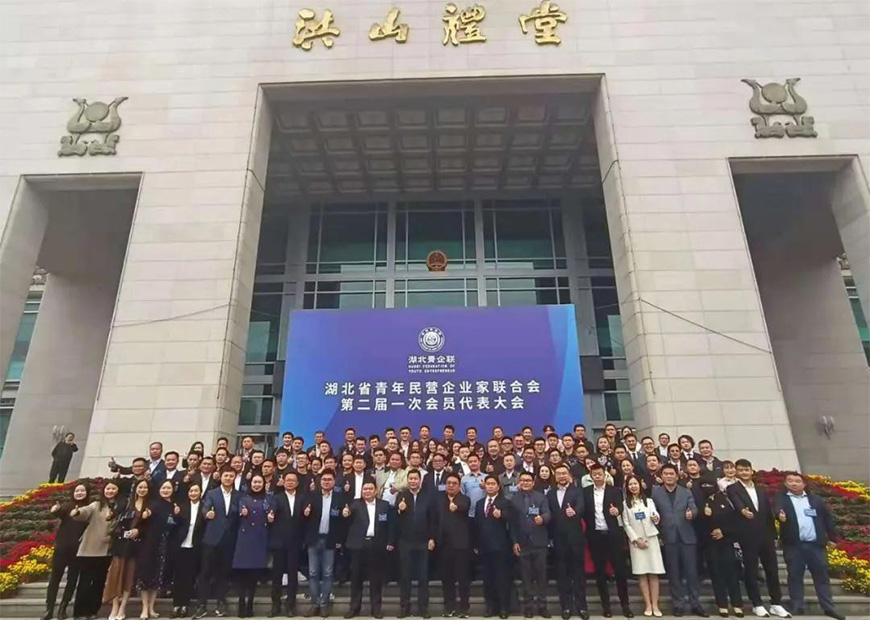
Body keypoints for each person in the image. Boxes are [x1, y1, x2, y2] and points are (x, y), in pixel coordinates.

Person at [773, 472, 844, 620]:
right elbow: (776, 509)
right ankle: (797, 605)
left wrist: (832, 538)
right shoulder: (782, 498)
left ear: (804, 484)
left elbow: (827, 519)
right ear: (785, 483)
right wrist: (779, 515)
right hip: (794, 545)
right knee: (794, 576)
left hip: (815, 546)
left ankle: (828, 607)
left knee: (821, 577)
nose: (794, 483)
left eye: (797, 481)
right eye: (790, 481)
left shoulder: (815, 500)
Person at [727, 459, 791, 618]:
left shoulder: (761, 489)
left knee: (772, 570)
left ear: (751, 471)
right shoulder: (732, 488)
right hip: (747, 535)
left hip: (766, 535)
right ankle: (757, 603)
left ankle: (776, 603)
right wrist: (743, 511)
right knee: (751, 570)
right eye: (740, 470)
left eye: (746, 470)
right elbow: (737, 502)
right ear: (736, 472)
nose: (744, 473)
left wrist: (774, 534)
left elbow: (768, 512)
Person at [651, 465, 707, 618]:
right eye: (666, 474)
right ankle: (678, 604)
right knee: (674, 573)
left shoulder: (686, 491)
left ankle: (695, 604)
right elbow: (653, 511)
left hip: (687, 537)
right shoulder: (656, 493)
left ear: (677, 476)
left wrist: (691, 513)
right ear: (662, 476)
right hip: (669, 537)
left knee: (691, 572)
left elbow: (694, 508)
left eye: (672, 474)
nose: (669, 476)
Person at [582, 464, 632, 618]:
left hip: (613, 535)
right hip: (595, 536)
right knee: (600, 572)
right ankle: (606, 607)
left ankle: (625, 606)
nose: (597, 476)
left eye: (600, 474)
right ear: (591, 476)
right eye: (594, 474)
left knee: (620, 571)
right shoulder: (585, 492)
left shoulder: (614, 490)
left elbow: (621, 506)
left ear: (604, 475)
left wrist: (617, 510)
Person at [342, 481, 396, 619]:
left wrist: (390, 542)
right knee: (356, 578)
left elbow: (391, 525)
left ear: (376, 490)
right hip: (358, 545)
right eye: (365, 489)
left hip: (377, 545)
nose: (367, 491)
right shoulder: (355, 505)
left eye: (370, 489)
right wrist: (346, 513)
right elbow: (347, 518)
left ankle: (376, 609)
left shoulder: (384, 505)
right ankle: (354, 608)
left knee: (376, 579)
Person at [193, 469, 240, 619]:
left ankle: (221, 603)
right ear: (221, 477)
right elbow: (205, 508)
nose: (228, 478)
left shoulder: (239, 495)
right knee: (205, 572)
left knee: (223, 573)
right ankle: (201, 605)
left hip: (229, 539)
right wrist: (207, 514)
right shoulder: (212, 493)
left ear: (234, 478)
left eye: (231, 476)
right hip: (211, 539)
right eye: (226, 475)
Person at [71, 480, 120, 620]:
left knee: (99, 583)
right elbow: (85, 512)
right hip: (90, 550)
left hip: (107, 551)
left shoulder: (120, 506)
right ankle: (80, 612)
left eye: (113, 488)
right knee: (85, 582)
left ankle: (93, 610)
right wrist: (77, 512)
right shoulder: (96, 505)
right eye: (108, 488)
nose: (110, 491)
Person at [696, 475, 743, 618]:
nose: (707, 488)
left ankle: (737, 604)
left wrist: (724, 531)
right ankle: (722, 605)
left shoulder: (724, 499)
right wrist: (704, 515)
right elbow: (697, 525)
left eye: (709, 485)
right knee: (716, 575)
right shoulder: (699, 501)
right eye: (703, 485)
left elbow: (734, 521)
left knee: (731, 574)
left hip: (726, 541)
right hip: (710, 544)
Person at [103, 478, 149, 620]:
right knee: (116, 575)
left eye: (145, 487)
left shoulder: (149, 506)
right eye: (140, 487)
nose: (142, 490)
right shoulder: (127, 503)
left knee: (128, 578)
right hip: (121, 544)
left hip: (136, 546)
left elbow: (149, 528)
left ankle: (122, 608)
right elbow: (116, 520)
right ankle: (114, 607)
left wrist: (139, 530)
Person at [303, 468, 347, 618]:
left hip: (330, 540)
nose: (326, 482)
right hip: (314, 539)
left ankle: (324, 604)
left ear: (334, 482)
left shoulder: (340, 498)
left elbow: (342, 523)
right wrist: (305, 513)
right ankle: (314, 604)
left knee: (328, 573)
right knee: (313, 573)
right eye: (324, 479)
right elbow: (304, 518)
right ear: (319, 481)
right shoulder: (311, 496)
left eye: (329, 480)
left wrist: (339, 540)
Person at [43, 482, 90, 620]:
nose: (79, 493)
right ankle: (49, 609)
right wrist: (55, 510)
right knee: (54, 579)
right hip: (62, 548)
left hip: (78, 550)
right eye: (77, 491)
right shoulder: (67, 506)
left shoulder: (89, 508)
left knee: (72, 580)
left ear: (87, 492)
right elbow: (59, 512)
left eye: (82, 491)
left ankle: (63, 608)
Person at [547, 464, 588, 620]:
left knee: (578, 574)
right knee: (562, 574)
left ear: (569, 475)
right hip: (558, 539)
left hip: (575, 538)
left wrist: (575, 511)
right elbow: (549, 515)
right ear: (555, 476)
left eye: (564, 473)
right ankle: (566, 607)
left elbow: (581, 507)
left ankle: (581, 606)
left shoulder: (577, 491)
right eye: (558, 473)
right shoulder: (550, 493)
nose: (561, 476)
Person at [395, 469, 436, 619]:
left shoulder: (428, 497)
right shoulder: (401, 496)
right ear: (407, 481)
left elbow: (433, 519)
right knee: (405, 577)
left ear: (420, 480)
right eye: (410, 479)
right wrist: (399, 510)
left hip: (423, 542)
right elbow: (395, 519)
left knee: (423, 577)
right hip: (405, 541)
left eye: (415, 479)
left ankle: (423, 609)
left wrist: (432, 538)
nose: (413, 481)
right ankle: (404, 608)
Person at [510, 471, 552, 618]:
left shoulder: (541, 497)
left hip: (539, 542)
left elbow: (548, 513)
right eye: (523, 480)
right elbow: (512, 524)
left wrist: (543, 518)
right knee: (526, 577)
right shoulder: (514, 499)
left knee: (541, 576)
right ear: (519, 482)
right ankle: (528, 606)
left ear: (533, 482)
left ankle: (542, 606)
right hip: (522, 544)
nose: (525, 483)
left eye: (528, 480)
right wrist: (514, 542)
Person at [622, 475, 664, 618]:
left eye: (635, 483)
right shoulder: (625, 504)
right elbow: (626, 524)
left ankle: (655, 604)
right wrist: (636, 539)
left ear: (640, 485)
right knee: (642, 573)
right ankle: (648, 604)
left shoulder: (649, 501)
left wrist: (656, 518)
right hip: (637, 542)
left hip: (651, 539)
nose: (633, 486)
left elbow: (656, 515)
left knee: (654, 572)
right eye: (630, 484)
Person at [136, 480, 178, 619]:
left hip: (165, 544)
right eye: (163, 488)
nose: (166, 490)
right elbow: (142, 521)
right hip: (149, 543)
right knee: (145, 576)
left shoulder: (174, 506)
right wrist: (145, 515)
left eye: (168, 488)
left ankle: (151, 607)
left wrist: (177, 515)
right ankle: (144, 608)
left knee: (157, 577)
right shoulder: (153, 504)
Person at [234, 474, 273, 618]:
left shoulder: (269, 499)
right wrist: (241, 512)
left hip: (260, 538)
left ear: (264, 484)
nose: (257, 485)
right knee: (242, 575)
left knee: (254, 575)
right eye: (255, 482)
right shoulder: (243, 498)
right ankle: (241, 604)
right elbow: (237, 512)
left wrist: (271, 517)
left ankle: (250, 604)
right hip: (245, 539)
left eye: (259, 482)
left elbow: (272, 512)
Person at [268, 471, 306, 617]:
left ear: (297, 483)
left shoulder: (302, 498)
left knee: (292, 576)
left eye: (292, 480)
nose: (290, 482)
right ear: (283, 482)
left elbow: (305, 519)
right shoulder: (276, 498)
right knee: (276, 576)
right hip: (279, 542)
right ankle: (275, 606)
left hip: (295, 542)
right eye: (287, 480)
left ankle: (290, 606)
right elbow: (271, 512)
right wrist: (270, 516)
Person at [474, 475, 512, 620]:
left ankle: (504, 608)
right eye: (488, 484)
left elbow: (513, 519)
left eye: (493, 484)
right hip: (484, 547)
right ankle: (490, 607)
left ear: (498, 486)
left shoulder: (505, 502)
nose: (490, 486)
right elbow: (477, 525)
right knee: (487, 579)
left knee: (501, 578)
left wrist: (501, 514)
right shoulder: (479, 503)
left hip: (501, 547)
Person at [436, 473, 472, 619]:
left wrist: (455, 507)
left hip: (461, 545)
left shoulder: (464, 499)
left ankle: (464, 608)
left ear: (459, 485)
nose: (451, 486)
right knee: (447, 579)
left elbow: (464, 507)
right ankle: (449, 607)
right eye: (448, 483)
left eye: (454, 483)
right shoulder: (439, 499)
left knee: (463, 579)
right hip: (444, 545)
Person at [170, 483, 205, 618]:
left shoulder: (204, 507)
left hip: (195, 546)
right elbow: (175, 525)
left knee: (189, 577)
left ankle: (185, 605)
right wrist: (176, 515)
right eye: (191, 491)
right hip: (180, 545)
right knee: (178, 576)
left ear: (200, 493)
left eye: (196, 491)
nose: (193, 493)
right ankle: (176, 605)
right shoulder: (182, 506)